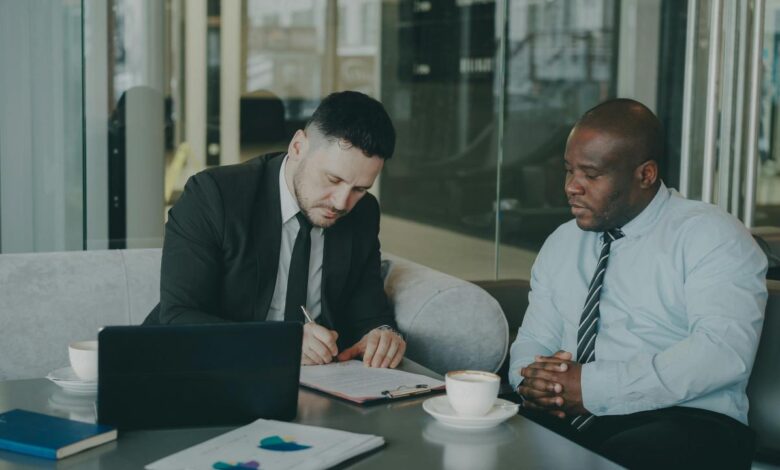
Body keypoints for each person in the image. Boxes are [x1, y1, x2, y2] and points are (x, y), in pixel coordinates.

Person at [508, 99, 767, 468]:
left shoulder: (711, 235)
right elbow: (535, 337)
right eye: (568, 171)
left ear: (645, 174)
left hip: (687, 421)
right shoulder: (563, 241)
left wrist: (594, 388)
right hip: (571, 411)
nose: (571, 187)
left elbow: (721, 353)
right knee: (488, 442)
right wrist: (530, 381)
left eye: (591, 175)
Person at [144, 91, 406, 369]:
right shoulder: (214, 196)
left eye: (360, 189)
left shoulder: (362, 213)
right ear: (297, 147)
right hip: (205, 368)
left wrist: (382, 335)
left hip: (315, 382)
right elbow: (179, 316)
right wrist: (278, 341)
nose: (342, 202)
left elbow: (369, 311)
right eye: (333, 179)